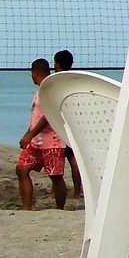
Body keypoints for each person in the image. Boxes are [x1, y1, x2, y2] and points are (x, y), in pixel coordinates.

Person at [17, 58, 68, 210]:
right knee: (22, 169)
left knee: (55, 176)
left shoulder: (50, 88)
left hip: (52, 140)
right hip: (36, 140)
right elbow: (36, 115)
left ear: (35, 73)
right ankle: (27, 208)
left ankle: (60, 210)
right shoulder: (40, 90)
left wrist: (29, 135)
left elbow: (47, 116)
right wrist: (27, 134)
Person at [53, 49, 83, 198]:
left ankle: (55, 191)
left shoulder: (55, 81)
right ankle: (77, 192)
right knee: (73, 160)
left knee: (56, 162)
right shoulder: (73, 80)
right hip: (73, 124)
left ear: (57, 64)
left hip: (59, 125)